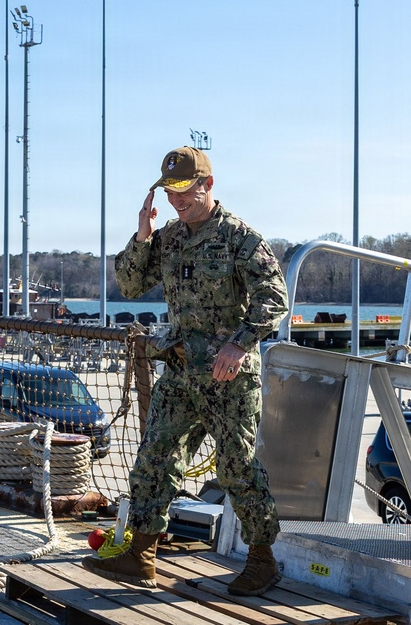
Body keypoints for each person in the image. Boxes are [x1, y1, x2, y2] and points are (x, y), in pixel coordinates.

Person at [82, 146, 288, 597]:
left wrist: (240, 343)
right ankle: (141, 556)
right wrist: (142, 236)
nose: (177, 200)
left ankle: (262, 559)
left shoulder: (240, 238)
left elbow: (273, 297)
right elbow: (131, 285)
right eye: (169, 191)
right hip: (179, 369)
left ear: (207, 185)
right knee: (155, 458)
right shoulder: (170, 237)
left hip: (227, 375)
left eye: (184, 191)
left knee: (237, 467)